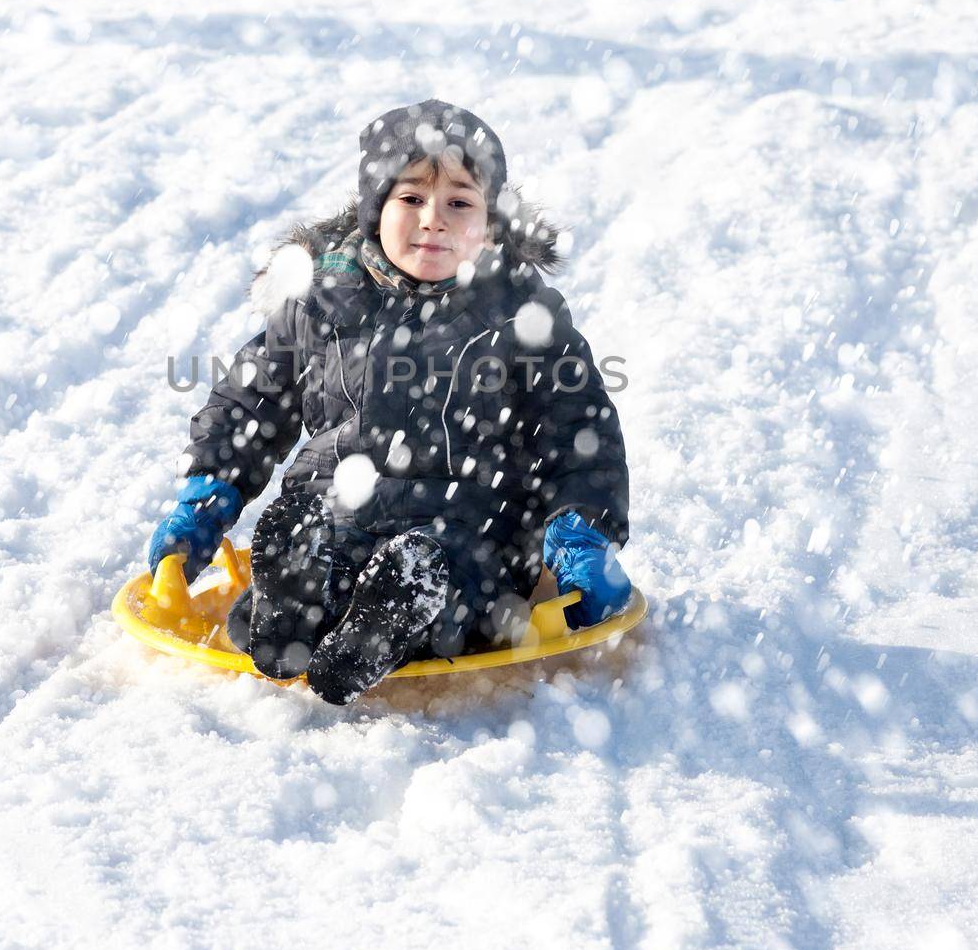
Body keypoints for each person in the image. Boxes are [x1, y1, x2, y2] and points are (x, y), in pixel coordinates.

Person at [148, 99, 631, 705]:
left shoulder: (520, 315)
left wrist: (581, 529)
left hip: (471, 521)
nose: (434, 220)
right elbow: (251, 403)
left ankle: (396, 606)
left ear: (489, 222)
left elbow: (578, 430)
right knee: (317, 560)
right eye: (411, 199)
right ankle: (289, 601)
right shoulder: (322, 299)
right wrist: (209, 493)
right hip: (336, 506)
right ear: (375, 208)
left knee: (455, 587)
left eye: (459, 202)